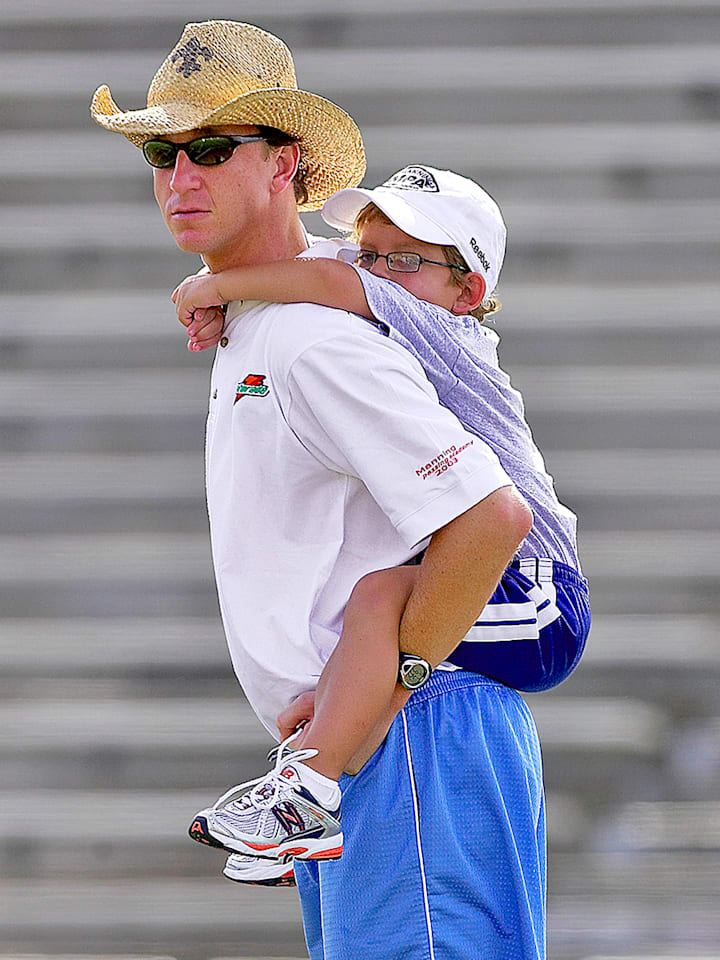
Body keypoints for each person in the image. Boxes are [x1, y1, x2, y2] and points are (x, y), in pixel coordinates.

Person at [91, 21, 547, 960]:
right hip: (359, 747)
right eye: (162, 152)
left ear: (283, 164)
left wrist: (387, 692)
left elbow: (492, 517)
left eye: (212, 149)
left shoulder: (313, 340)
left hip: (409, 732)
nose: (182, 176)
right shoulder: (268, 322)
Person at [172, 164, 590, 870]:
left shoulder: (435, 326)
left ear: (469, 290)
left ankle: (312, 783)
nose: (379, 273)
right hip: (499, 580)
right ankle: (302, 803)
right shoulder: (403, 312)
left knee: (374, 600)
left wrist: (215, 288)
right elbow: (333, 269)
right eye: (369, 254)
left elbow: (332, 281)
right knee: (363, 618)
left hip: (538, 594)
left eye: (406, 260)